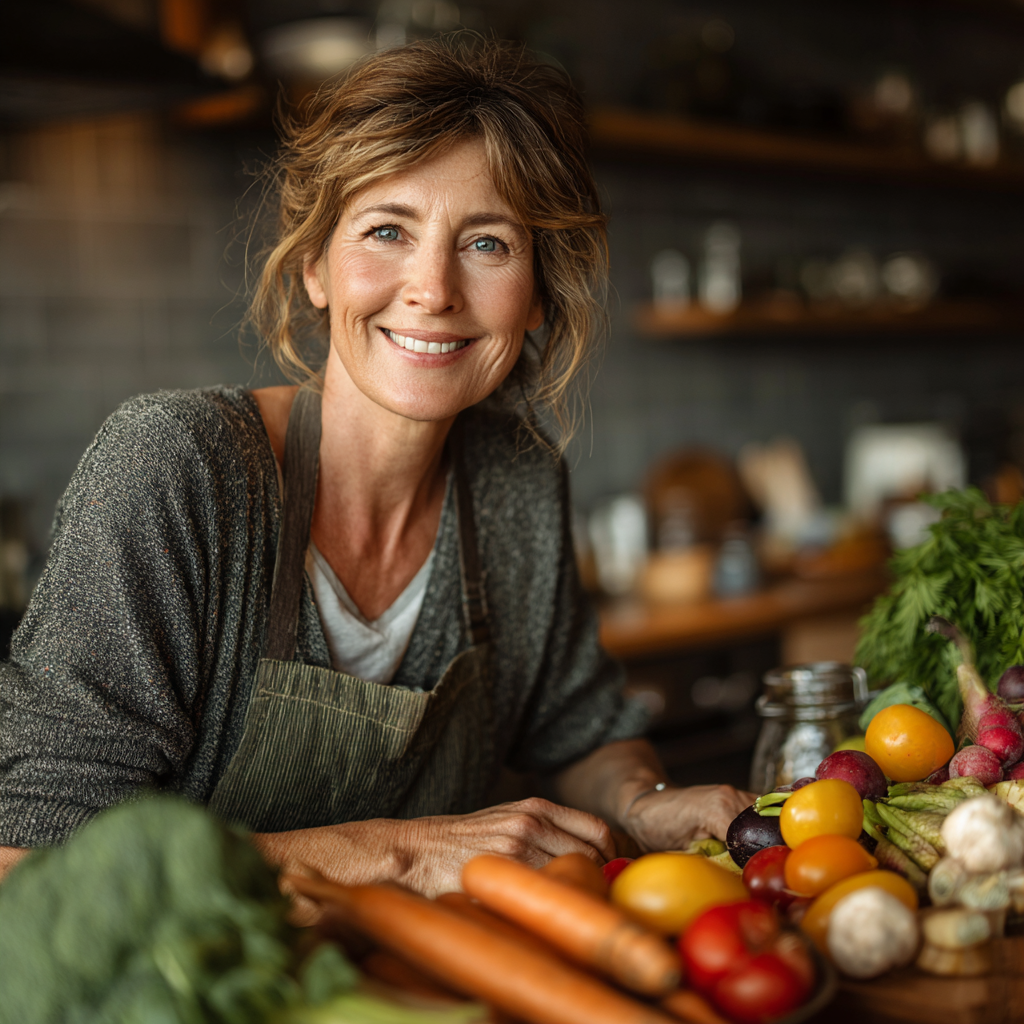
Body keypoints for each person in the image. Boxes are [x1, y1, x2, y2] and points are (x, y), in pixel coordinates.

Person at [0, 36, 752, 894]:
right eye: (387, 230)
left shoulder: (517, 479)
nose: (432, 288)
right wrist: (393, 853)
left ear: (539, 290)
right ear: (316, 264)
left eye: (489, 243)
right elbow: (33, 866)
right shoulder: (178, 466)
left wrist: (643, 799)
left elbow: (577, 729)